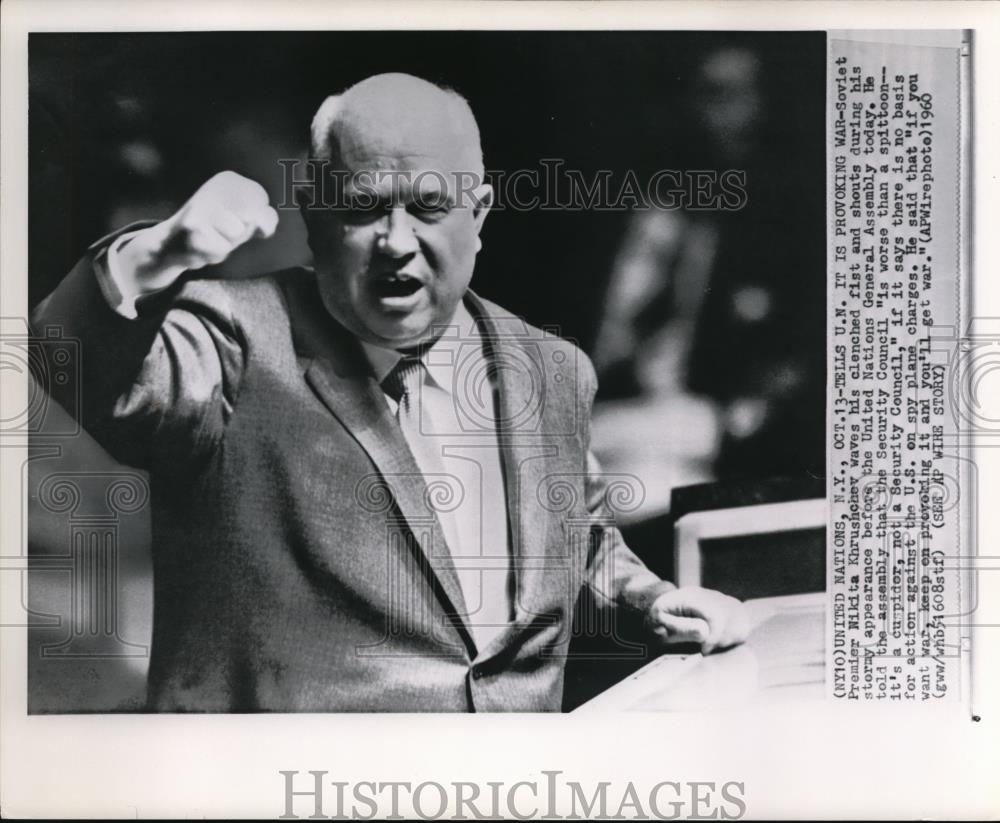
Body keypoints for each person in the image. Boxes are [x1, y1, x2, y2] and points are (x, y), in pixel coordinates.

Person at [31, 73, 748, 712]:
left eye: (429, 206)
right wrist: (157, 254)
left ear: (481, 214)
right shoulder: (233, 342)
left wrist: (652, 597)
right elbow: (69, 360)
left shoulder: (551, 368)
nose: (395, 241)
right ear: (311, 218)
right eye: (362, 207)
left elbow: (577, 535)